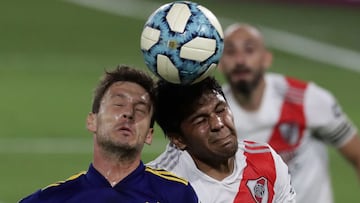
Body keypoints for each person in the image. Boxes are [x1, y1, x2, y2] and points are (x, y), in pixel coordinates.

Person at [217, 23, 360, 203]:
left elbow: (357, 153)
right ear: (220, 63)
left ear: (266, 59)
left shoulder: (306, 100)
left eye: (249, 50)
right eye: (230, 52)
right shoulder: (215, 117)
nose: (240, 60)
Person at [20, 65, 199, 203]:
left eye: (140, 110)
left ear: (149, 135)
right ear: (92, 121)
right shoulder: (52, 199)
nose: (128, 113)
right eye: (118, 104)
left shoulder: (176, 194)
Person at [148, 77, 296, 202]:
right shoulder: (157, 186)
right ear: (178, 139)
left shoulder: (266, 160)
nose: (218, 124)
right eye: (201, 120)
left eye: (221, 110)